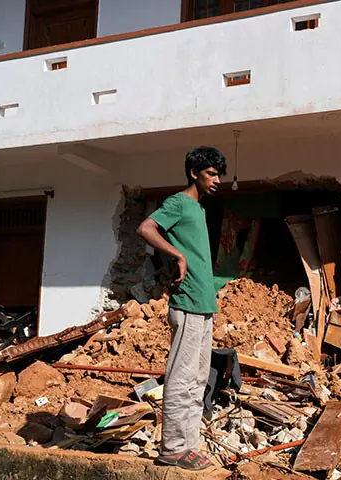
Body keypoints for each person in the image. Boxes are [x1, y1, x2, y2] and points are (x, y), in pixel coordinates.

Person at [137, 147, 226, 471]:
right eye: (211, 174)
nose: (216, 180)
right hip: (187, 303)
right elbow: (146, 228)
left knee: (198, 379)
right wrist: (178, 256)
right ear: (194, 173)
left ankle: (188, 445)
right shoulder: (179, 203)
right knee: (182, 376)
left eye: (219, 175)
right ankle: (172, 447)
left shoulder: (198, 209)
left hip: (203, 305)